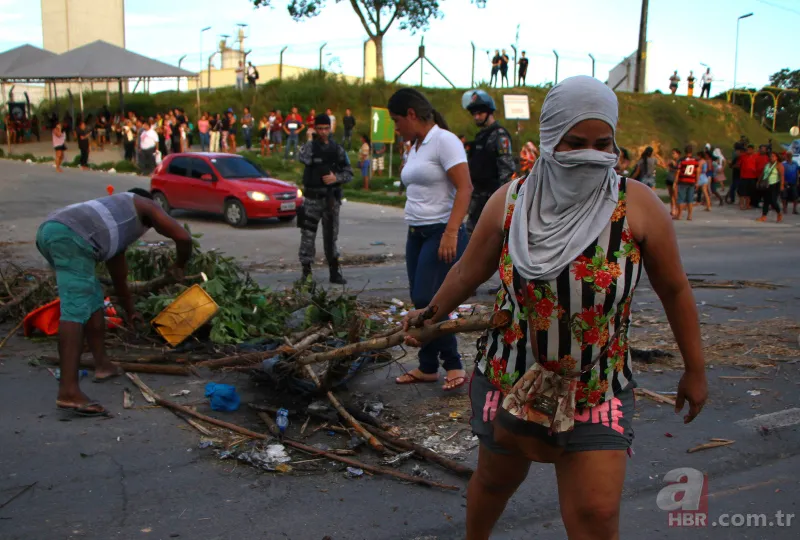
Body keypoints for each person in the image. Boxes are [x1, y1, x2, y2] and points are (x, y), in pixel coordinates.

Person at [401, 75, 707, 539]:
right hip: (510, 378)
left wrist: (695, 369)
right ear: (549, 139)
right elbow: (467, 272)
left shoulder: (637, 205)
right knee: (496, 482)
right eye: (575, 143)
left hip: (597, 384)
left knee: (596, 515)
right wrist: (430, 315)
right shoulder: (511, 201)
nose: (590, 155)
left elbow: (676, 290)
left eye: (603, 144)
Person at [36, 189, 193, 417]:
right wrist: (179, 265)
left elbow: (119, 277)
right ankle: (68, 391)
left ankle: (102, 365)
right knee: (75, 309)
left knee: (93, 296)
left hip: (51, 232)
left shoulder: (115, 222)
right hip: (68, 236)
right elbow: (183, 237)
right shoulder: (145, 205)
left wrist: (130, 311)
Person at [388, 88, 472, 391]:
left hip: (440, 232)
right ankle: (427, 367)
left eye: (397, 120)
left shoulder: (444, 141)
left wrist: (451, 232)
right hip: (416, 233)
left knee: (430, 301)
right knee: (420, 300)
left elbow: (465, 188)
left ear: (411, 114)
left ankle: (453, 364)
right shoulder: (415, 146)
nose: (396, 127)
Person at [297, 114, 353, 284]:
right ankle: (306, 274)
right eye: (320, 129)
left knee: (331, 237)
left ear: (330, 129)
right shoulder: (310, 147)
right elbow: (303, 158)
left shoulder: (337, 150)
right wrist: (309, 139)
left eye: (326, 128)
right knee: (307, 237)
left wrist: (336, 178)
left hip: (330, 200)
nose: (323, 132)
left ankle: (334, 273)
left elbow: (349, 173)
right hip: (312, 199)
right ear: (315, 129)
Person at [462, 89, 514, 236]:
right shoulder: (481, 136)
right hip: (477, 196)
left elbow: (506, 169)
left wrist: (500, 200)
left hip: (491, 197)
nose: (476, 117)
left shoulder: (499, 135)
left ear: (489, 112)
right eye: (474, 114)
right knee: (472, 237)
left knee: (489, 238)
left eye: (480, 113)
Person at [756, 152, 784, 223]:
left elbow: (782, 176)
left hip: (774, 185)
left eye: (773, 156)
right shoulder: (767, 165)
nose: (771, 157)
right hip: (766, 185)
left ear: (777, 157)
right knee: (766, 201)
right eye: (771, 156)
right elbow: (763, 173)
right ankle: (763, 216)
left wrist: (782, 185)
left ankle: (779, 213)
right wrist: (758, 181)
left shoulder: (779, 165)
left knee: (773, 201)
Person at [674, 144, 700, 221]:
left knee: (681, 199)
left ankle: (680, 215)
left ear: (685, 151)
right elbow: (698, 171)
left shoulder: (682, 160)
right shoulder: (695, 161)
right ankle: (690, 215)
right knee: (690, 199)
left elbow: (678, 171)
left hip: (683, 181)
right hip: (692, 181)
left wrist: (675, 181)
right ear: (691, 152)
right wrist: (697, 182)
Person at [738, 144, 758, 210]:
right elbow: (739, 164)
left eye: (750, 149)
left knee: (749, 192)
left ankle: (747, 205)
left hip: (752, 177)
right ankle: (741, 205)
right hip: (744, 176)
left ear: (753, 150)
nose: (749, 151)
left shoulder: (756, 156)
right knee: (742, 192)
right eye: (748, 149)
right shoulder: (743, 156)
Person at [667, 148, 681, 216]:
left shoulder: (680, 161)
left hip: (675, 180)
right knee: (671, 196)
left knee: (675, 196)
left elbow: (678, 171)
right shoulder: (671, 161)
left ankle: (677, 209)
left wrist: (675, 182)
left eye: (674, 153)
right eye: (672, 153)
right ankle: (672, 209)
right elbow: (667, 167)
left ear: (678, 154)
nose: (673, 155)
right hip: (669, 178)